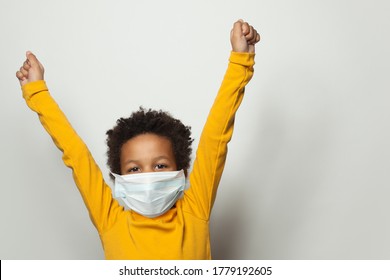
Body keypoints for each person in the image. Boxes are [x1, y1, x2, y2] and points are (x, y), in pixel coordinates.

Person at [16, 19, 260, 259]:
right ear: (118, 177)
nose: (148, 176)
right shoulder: (110, 220)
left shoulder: (196, 210)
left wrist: (240, 62)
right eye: (134, 169)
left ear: (181, 171)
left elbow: (216, 138)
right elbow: (76, 155)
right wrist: (38, 92)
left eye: (160, 165)